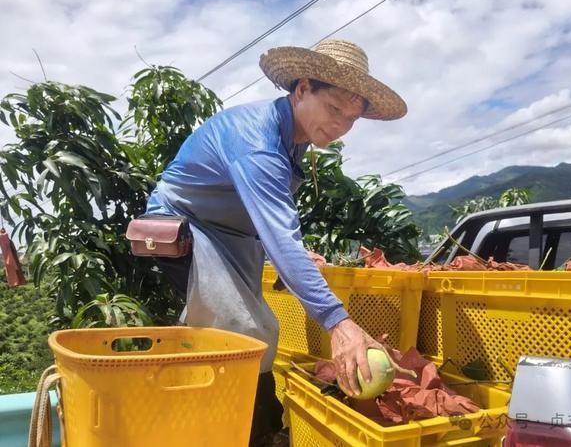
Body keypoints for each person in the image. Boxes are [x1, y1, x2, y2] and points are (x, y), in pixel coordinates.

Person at [145, 39, 407, 445]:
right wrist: (340, 324)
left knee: (220, 332)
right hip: (186, 227)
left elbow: (268, 220)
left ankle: (202, 420)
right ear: (302, 89)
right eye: (334, 109)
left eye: (352, 119)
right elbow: (279, 231)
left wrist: (290, 255)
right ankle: (255, 434)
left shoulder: (293, 141)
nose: (341, 127)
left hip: (234, 238)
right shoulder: (258, 142)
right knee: (247, 331)